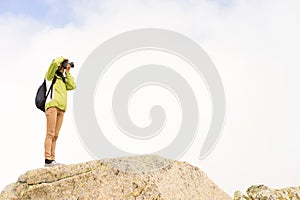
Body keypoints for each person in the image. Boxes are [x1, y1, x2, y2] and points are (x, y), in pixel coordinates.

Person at [44, 56, 76, 167]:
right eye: (64, 64)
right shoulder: (51, 76)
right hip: (52, 107)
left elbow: (72, 86)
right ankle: (47, 159)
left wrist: (67, 72)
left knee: (56, 135)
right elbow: (53, 64)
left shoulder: (62, 79)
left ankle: (52, 159)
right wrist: (62, 58)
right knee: (50, 133)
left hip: (61, 109)